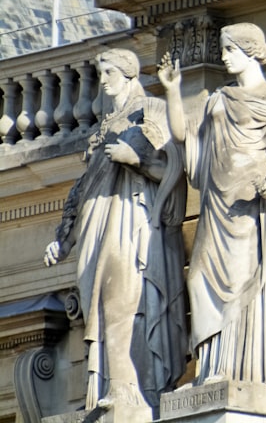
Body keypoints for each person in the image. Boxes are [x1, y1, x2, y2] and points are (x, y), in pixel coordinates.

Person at [44, 48, 186, 411]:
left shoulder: (150, 110)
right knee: (98, 308)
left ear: (128, 73)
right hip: (96, 225)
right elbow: (81, 189)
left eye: (108, 72)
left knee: (122, 298)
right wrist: (63, 240)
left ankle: (130, 389)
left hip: (132, 220)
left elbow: (174, 170)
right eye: (101, 72)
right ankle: (110, 387)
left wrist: (135, 160)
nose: (102, 79)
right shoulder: (102, 128)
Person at [158, 23, 266, 386]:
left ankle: (233, 370)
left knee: (240, 285)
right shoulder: (218, 99)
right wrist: (173, 92)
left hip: (248, 208)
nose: (224, 57)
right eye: (222, 50)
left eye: (230, 49)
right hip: (215, 208)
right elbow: (183, 136)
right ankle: (209, 368)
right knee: (199, 278)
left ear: (251, 50)